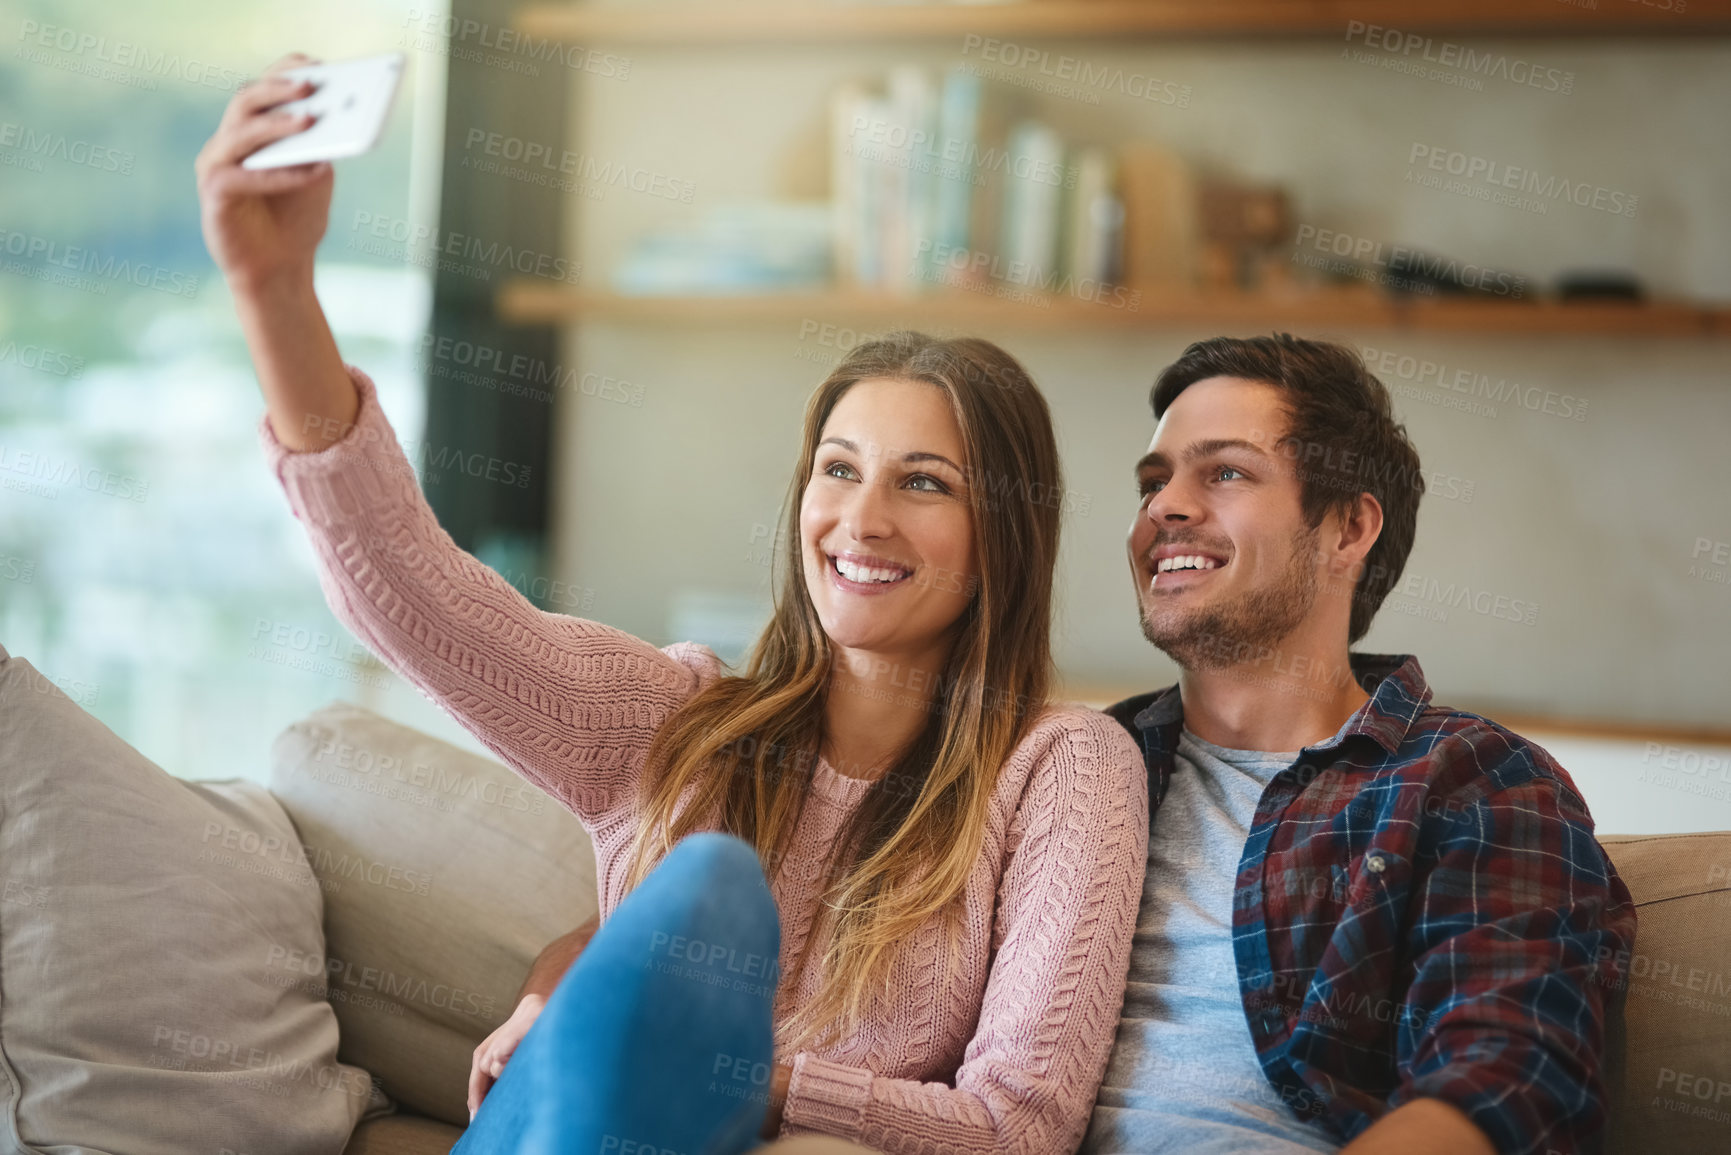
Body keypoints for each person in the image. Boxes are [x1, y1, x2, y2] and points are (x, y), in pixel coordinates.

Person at [195, 53, 1149, 1155]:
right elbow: (415, 594)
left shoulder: (1062, 769)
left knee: (702, 901)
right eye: (838, 470)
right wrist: (274, 290)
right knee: (706, 884)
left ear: (1002, 545)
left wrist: (742, 1077)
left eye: (923, 484)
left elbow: (1017, 1127)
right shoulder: (678, 720)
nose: (862, 519)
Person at [1079, 333, 1636, 1155]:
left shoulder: (1473, 782)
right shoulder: (1075, 764)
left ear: (1347, 527)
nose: (1163, 506)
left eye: (1224, 471)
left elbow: (1505, 1081)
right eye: (1153, 480)